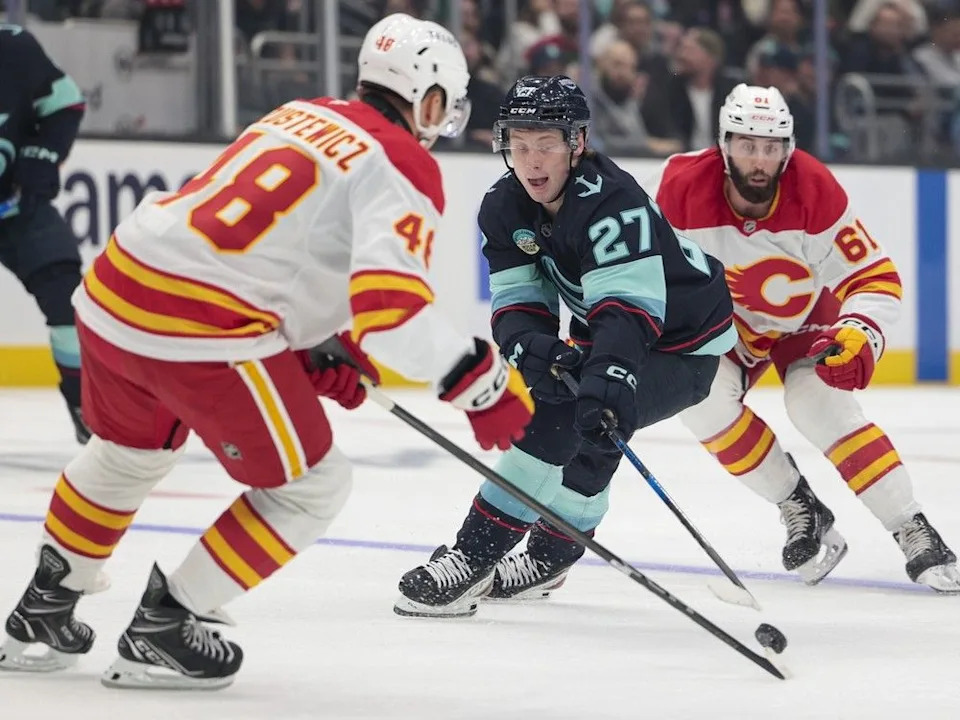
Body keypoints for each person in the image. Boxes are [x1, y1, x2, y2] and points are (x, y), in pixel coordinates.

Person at [0, 13, 534, 690]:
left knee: (127, 452)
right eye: (443, 105)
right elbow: (391, 312)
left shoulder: (300, 112)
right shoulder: (404, 162)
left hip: (114, 288)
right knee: (313, 487)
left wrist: (314, 341)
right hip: (199, 326)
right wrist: (480, 383)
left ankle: (41, 610)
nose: (441, 121)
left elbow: (265, 245)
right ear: (428, 95)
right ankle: (166, 626)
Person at [393, 75, 737, 618]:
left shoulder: (613, 203)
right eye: (519, 143)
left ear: (577, 143)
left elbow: (628, 311)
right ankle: (550, 558)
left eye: (546, 144)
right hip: (609, 327)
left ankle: (471, 557)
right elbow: (517, 300)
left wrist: (609, 378)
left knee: (569, 414)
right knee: (586, 422)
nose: (531, 161)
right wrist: (533, 348)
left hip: (685, 348)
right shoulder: (504, 206)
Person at [648, 84, 959, 592]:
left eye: (771, 148)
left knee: (818, 406)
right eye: (748, 145)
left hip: (805, 322)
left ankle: (912, 527)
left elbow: (874, 277)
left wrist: (861, 332)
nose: (759, 160)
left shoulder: (815, 191)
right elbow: (643, 272)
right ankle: (799, 504)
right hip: (726, 325)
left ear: (788, 150)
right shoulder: (681, 186)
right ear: (724, 144)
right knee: (698, 400)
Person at [0, 24, 89, 443]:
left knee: (70, 300)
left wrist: (40, 155)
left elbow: (65, 103)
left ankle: (89, 411)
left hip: (15, 209)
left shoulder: (13, 48)